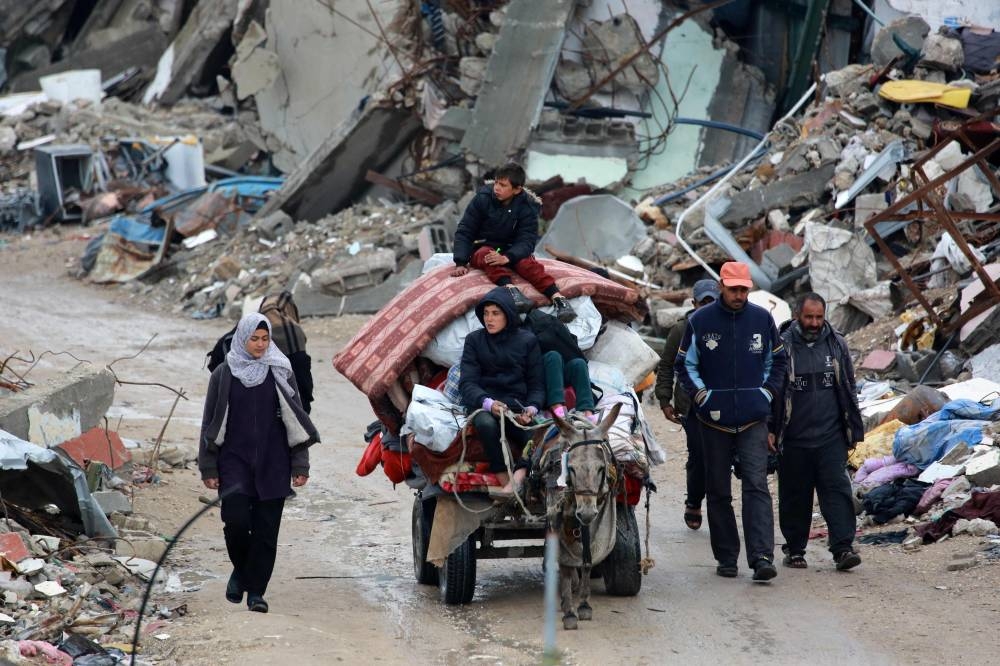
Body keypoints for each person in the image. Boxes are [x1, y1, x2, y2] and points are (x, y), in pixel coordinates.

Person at [198, 313, 320, 613]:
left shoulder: (280, 371)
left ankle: (256, 592)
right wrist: (209, 467)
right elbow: (209, 423)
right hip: (234, 462)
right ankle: (241, 571)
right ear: (242, 338)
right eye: (254, 338)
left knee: (266, 532)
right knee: (236, 522)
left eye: (265, 339)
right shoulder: (224, 374)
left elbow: (295, 421)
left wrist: (300, 464)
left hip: (273, 462)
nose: (260, 345)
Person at [674, 262, 787, 582]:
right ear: (721, 285)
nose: (739, 295)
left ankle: (762, 556)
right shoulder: (700, 321)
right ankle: (726, 557)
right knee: (719, 490)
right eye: (733, 288)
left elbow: (777, 361)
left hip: (753, 419)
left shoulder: (762, 319)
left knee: (756, 486)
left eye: (743, 289)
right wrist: (702, 398)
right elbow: (685, 366)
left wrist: (765, 394)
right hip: (713, 421)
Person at [773, 293, 864, 571]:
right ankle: (795, 549)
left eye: (819, 317)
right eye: (808, 317)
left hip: (830, 436)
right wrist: (770, 429)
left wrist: (852, 428)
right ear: (797, 315)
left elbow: (848, 387)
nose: (814, 323)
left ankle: (843, 549)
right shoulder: (781, 347)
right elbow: (774, 392)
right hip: (794, 438)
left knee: (836, 491)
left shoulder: (836, 344)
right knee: (794, 495)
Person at [450, 162, 576, 323]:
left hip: (511, 249)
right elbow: (465, 229)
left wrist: (508, 257)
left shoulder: (528, 207)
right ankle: (512, 292)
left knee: (527, 263)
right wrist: (460, 261)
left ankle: (559, 299)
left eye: (503, 185)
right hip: (484, 245)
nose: (496, 188)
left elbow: (527, 240)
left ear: (517, 189)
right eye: (496, 182)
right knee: (486, 255)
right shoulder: (482, 199)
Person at [459, 286, 545, 497]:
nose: (489, 319)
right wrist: (488, 403)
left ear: (508, 314)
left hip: (516, 409)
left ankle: (519, 477)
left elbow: (537, 385)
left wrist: (531, 409)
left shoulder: (527, 341)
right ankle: (503, 479)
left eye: (495, 313)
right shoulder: (474, 340)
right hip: (485, 406)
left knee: (536, 436)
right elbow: (467, 383)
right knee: (486, 425)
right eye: (486, 313)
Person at [654, 279, 720, 531]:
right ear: (694, 303)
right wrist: (664, 399)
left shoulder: (729, 327)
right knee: (699, 457)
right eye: (703, 302)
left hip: (724, 404)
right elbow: (667, 365)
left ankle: (718, 506)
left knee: (723, 458)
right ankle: (694, 501)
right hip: (692, 406)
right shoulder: (681, 330)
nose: (708, 307)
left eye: (712, 302)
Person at [207, 291, 314, 413]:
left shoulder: (249, 325)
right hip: (281, 409)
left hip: (239, 407)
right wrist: (306, 405)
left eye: (265, 339)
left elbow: (216, 359)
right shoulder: (294, 333)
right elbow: (302, 373)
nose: (261, 344)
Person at [524, 308, 596, 421]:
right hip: (539, 379)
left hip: (557, 374)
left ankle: (586, 411)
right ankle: (556, 408)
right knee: (553, 356)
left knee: (579, 363)